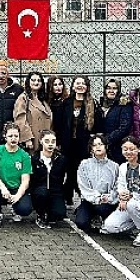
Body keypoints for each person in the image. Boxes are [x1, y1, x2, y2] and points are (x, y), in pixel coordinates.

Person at [101, 136, 140, 248]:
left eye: (132, 149)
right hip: (129, 205)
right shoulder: (123, 167)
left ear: (138, 149)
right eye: (125, 149)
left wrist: (131, 196)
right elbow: (121, 186)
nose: (128, 152)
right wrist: (122, 197)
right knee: (110, 226)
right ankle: (138, 227)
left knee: (132, 204)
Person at [56, 75, 102, 205]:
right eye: (77, 83)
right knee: (68, 170)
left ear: (87, 87)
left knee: (79, 170)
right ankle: (67, 196)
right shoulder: (66, 103)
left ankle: (80, 197)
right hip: (67, 143)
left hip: (84, 144)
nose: (80, 85)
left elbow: (97, 125)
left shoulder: (92, 103)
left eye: (83, 83)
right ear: (73, 86)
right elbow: (59, 124)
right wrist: (58, 142)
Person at [0, 122, 33, 228]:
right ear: (4, 136)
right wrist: (3, 188)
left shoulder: (24, 155)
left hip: (16, 188)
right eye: (10, 136)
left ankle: (15, 209)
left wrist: (18, 195)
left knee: (25, 209)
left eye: (16, 136)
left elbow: (25, 180)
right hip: (1, 187)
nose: (13, 138)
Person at [75, 134, 119, 233]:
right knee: (81, 222)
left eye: (100, 144)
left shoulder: (114, 166)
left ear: (106, 146)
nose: (98, 147)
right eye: (94, 145)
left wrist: (109, 197)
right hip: (89, 200)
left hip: (107, 202)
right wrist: (97, 198)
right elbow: (83, 186)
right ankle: (91, 217)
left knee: (102, 209)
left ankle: (104, 219)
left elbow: (117, 187)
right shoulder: (84, 164)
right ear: (91, 149)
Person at [0, 61, 24, 156]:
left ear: (8, 75)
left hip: (11, 133)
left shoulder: (17, 89)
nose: (1, 76)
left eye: (3, 73)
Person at [30, 130, 67, 228]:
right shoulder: (34, 158)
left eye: (53, 141)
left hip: (55, 191)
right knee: (42, 193)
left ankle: (50, 211)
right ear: (41, 141)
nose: (50, 144)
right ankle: (40, 214)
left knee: (59, 214)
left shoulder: (61, 159)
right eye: (47, 141)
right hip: (39, 191)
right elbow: (32, 180)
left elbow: (61, 178)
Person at [13, 71, 52, 153]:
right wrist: (27, 139)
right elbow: (20, 119)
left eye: (39, 80)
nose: (36, 82)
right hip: (33, 139)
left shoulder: (43, 99)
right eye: (33, 80)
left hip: (46, 139)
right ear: (28, 82)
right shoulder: (23, 98)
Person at [100, 78, 133, 165]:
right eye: (108, 88)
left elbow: (124, 127)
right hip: (104, 148)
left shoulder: (124, 104)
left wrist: (107, 140)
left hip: (118, 148)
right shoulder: (102, 104)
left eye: (114, 88)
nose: (111, 91)